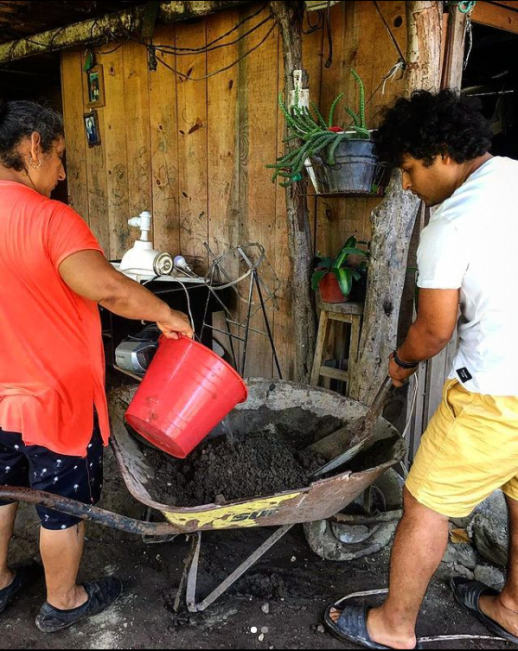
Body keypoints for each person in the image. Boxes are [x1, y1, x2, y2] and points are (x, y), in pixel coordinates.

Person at [324, 90, 518, 649]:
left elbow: (433, 329)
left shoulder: (450, 223)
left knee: (425, 502)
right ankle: (510, 606)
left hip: (496, 397)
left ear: (439, 152)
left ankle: (393, 627)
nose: (406, 185)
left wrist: (401, 361)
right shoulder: (512, 176)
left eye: (408, 170)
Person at [0, 100, 193, 633]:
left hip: (2, 395)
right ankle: (63, 600)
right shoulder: (50, 218)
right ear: (34, 145)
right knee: (62, 504)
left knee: (3, 489)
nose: (61, 174)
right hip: (58, 399)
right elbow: (108, 288)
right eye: (59, 157)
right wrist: (166, 313)